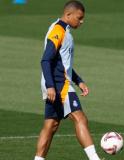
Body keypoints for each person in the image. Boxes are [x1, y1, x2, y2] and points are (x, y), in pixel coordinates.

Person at [34, 1, 101, 160]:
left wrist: (79, 81)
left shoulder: (64, 31)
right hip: (58, 84)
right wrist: (50, 86)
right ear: (68, 14)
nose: (82, 21)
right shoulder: (58, 31)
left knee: (51, 125)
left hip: (57, 82)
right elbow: (45, 60)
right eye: (79, 18)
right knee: (80, 118)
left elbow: (62, 63)